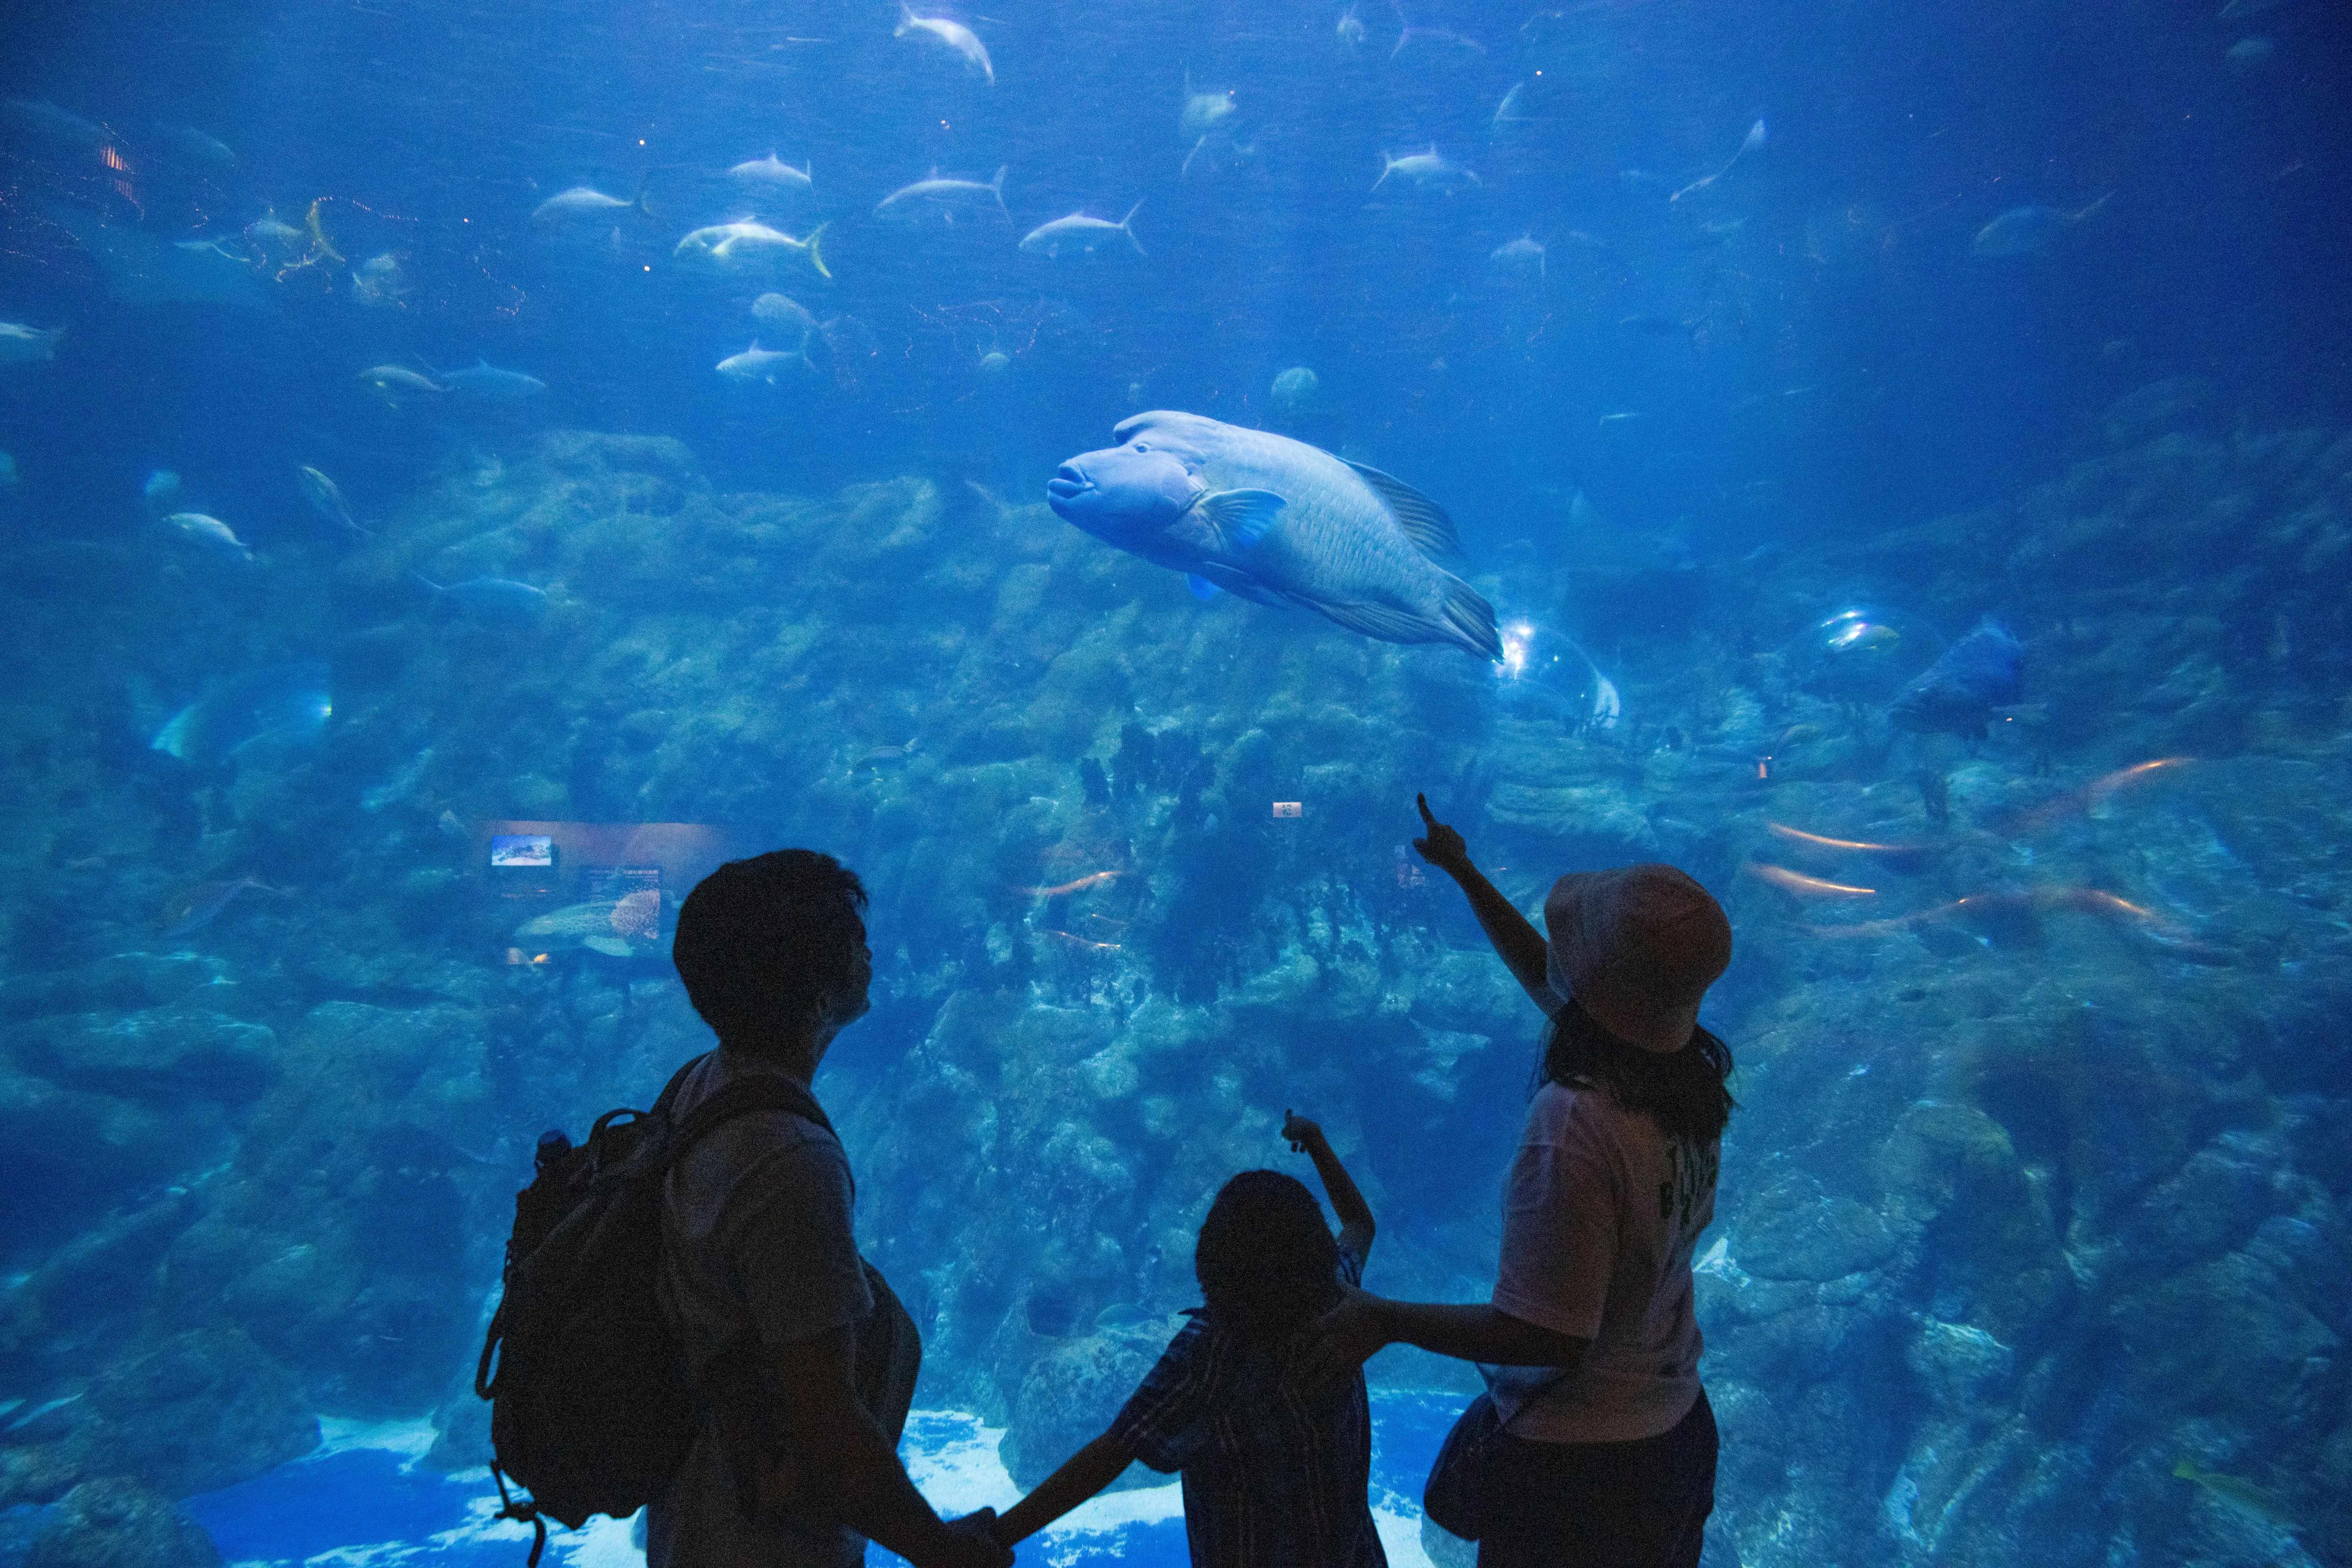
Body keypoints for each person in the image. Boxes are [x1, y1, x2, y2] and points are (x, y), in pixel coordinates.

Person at [1311, 795, 1735, 1568]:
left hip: (1583, 1472)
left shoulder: (1576, 1123)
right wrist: (1464, 874)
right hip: (1675, 1432)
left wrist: (1388, 1318)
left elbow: (1548, 1335)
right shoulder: (1687, 1078)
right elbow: (1554, 980)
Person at [651, 850, 1009, 1568]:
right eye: (851, 937)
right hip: (764, 1548)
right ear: (812, 984)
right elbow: (826, 1425)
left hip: (695, 1523)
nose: (870, 949)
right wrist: (941, 1552)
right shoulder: (788, 1163)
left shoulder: (700, 1086)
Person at [988, 1109, 1385, 1567]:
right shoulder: (1339, 1299)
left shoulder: (1209, 1354)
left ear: (1209, 1265)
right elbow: (1359, 1224)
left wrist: (1000, 1533)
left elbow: (1113, 1452)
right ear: (1316, 1251)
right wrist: (1316, 1141)